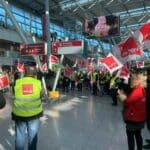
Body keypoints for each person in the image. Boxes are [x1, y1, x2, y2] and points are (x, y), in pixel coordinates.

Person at [12, 66, 43, 150]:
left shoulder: (17, 82)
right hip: (34, 114)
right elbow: (41, 95)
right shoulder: (38, 83)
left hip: (19, 114)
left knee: (20, 136)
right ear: (34, 74)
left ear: (24, 73)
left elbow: (14, 92)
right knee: (32, 137)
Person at [118, 71, 146, 150]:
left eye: (133, 79)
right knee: (138, 135)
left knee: (131, 137)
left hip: (134, 118)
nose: (131, 80)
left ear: (138, 80)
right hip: (139, 117)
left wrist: (121, 95)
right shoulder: (141, 89)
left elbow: (127, 102)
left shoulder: (138, 91)